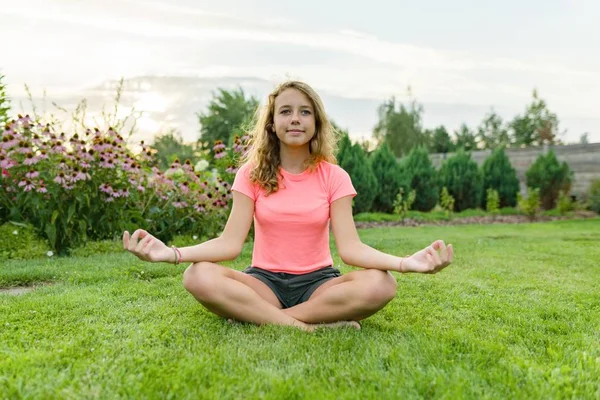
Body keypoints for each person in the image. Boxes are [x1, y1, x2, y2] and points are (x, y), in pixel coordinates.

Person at [123, 80, 453, 332]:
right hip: (263, 283)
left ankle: (259, 318)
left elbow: (351, 250)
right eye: (285, 111)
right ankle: (306, 327)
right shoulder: (250, 174)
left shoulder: (334, 176)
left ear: (316, 123)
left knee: (382, 284)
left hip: (319, 285)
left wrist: (405, 263)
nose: (295, 119)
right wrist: (173, 253)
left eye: (304, 112)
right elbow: (229, 244)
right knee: (197, 276)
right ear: (272, 124)